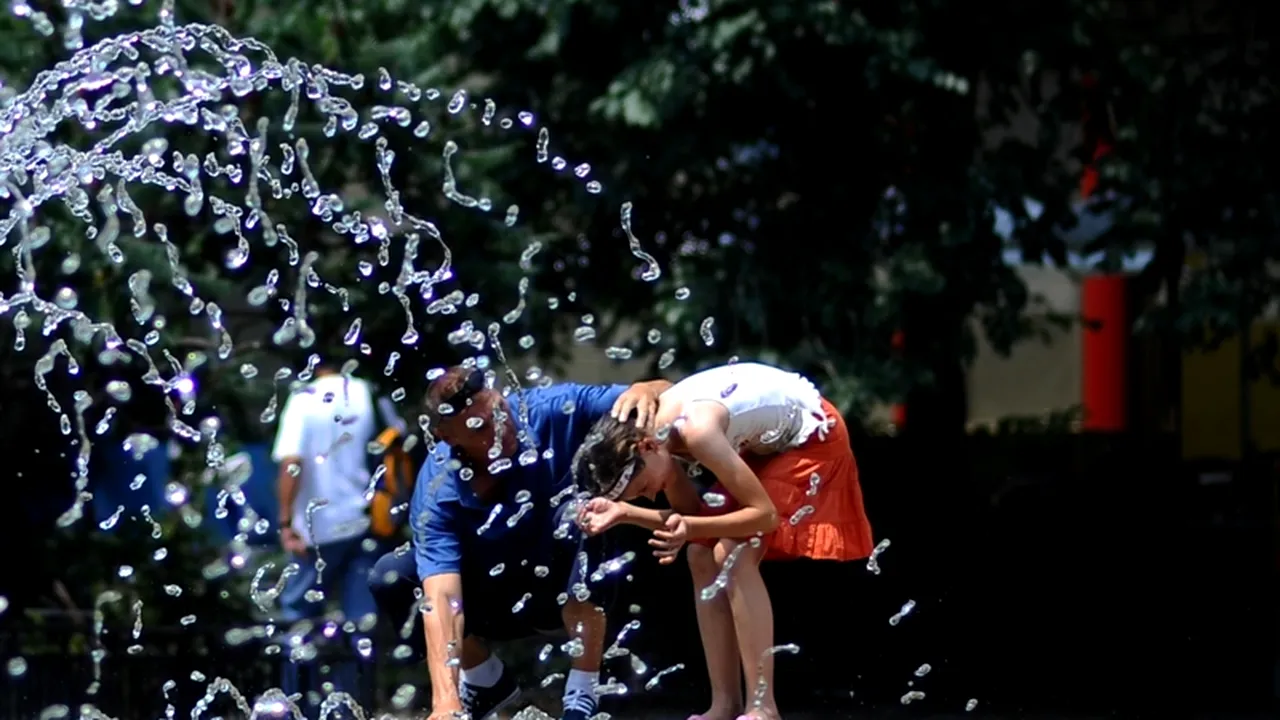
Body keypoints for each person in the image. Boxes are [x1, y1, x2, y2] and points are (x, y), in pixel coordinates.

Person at [572, 361, 874, 720]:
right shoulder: (653, 441)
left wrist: (663, 520)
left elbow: (764, 517)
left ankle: (763, 708)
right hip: (765, 446)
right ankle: (724, 705)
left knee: (734, 551)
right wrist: (625, 513)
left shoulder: (696, 432)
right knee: (700, 556)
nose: (650, 496)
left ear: (647, 447)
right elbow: (698, 524)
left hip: (811, 437)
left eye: (642, 489)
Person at [367, 364, 669, 720]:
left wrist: (649, 387)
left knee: (586, 512)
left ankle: (582, 690)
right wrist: (445, 702)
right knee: (391, 575)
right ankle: (483, 679)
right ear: (447, 436)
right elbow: (442, 597)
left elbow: (669, 395)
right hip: (493, 604)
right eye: (481, 427)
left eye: (500, 412)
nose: (502, 430)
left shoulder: (553, 408)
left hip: (566, 583)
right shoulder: (438, 490)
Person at [271, 363, 382, 712]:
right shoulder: (366, 391)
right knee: (360, 623)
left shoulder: (303, 399)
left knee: (297, 617)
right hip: (363, 523)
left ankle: (293, 705)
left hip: (315, 529)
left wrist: (286, 522)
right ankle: (354, 708)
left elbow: (292, 462)